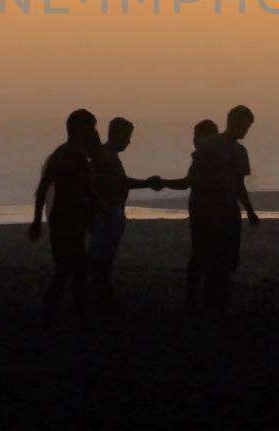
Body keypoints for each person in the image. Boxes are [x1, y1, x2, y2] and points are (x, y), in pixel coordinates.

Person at [162, 105, 260, 313]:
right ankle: (195, 298)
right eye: (244, 125)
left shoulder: (241, 151)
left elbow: (239, 184)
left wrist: (249, 210)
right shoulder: (209, 146)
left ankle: (217, 299)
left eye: (248, 126)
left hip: (228, 209)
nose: (245, 130)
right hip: (205, 208)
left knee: (226, 256)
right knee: (202, 253)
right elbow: (192, 177)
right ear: (232, 121)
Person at [29, 108, 100, 331]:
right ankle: (56, 314)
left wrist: (37, 220)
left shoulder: (62, 153)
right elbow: (88, 189)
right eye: (90, 128)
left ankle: (71, 316)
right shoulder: (73, 155)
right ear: (79, 129)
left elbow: (42, 190)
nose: (93, 133)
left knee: (72, 267)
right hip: (69, 218)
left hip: (64, 217)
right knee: (70, 268)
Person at [86, 117, 163, 312]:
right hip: (108, 213)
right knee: (101, 261)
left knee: (103, 259)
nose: (129, 141)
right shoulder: (106, 157)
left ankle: (101, 299)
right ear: (117, 134)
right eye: (127, 137)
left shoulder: (107, 156)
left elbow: (117, 182)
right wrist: (147, 183)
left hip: (108, 212)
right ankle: (104, 301)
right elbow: (117, 183)